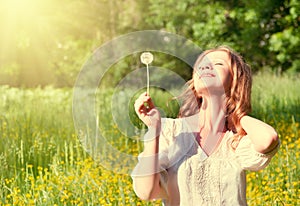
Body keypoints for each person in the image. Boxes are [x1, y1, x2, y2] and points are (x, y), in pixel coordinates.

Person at [131, 46, 280, 205]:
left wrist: (237, 115)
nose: (205, 66)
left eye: (218, 64)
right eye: (201, 64)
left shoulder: (236, 140)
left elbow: (268, 139)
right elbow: (146, 191)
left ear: (235, 81)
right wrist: (154, 129)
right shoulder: (171, 131)